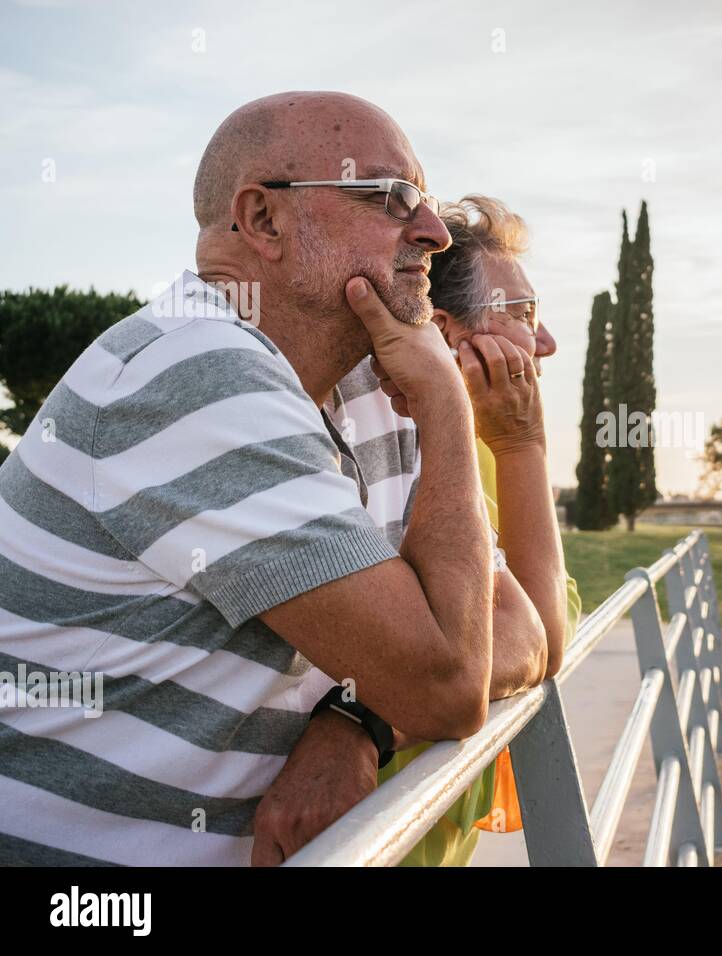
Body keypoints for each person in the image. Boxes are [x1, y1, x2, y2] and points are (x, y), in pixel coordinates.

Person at [0, 91, 546, 865]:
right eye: (392, 197)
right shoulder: (191, 373)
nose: (430, 232)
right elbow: (450, 686)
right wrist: (453, 412)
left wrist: (357, 721)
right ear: (263, 221)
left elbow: (517, 632)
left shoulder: (377, 382)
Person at [276, 196, 578, 866]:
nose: (547, 341)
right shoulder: (375, 441)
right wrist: (525, 447)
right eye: (524, 315)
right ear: (445, 332)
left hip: (429, 824)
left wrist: (366, 720)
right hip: (364, 833)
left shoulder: (485, 447)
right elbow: (537, 637)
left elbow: (538, 640)